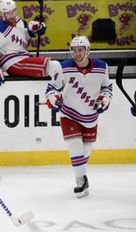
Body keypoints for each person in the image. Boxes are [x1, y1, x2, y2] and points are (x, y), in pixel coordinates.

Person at [44, 36, 113, 198]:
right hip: (69, 112)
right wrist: (53, 98)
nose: (76, 53)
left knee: (86, 150)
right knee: (74, 146)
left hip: (90, 115)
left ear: (87, 51)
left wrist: (105, 99)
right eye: (74, 50)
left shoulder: (102, 67)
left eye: (80, 50)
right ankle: (81, 180)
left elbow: (107, 87)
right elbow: (51, 88)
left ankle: (81, 175)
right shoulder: (63, 67)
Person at [0, 0, 61, 86]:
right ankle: (57, 95)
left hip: (22, 57)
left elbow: (18, 38)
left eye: (14, 11)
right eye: (8, 13)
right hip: (12, 63)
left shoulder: (16, 20)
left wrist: (33, 31)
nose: (12, 15)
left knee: (57, 67)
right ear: (2, 13)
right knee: (54, 66)